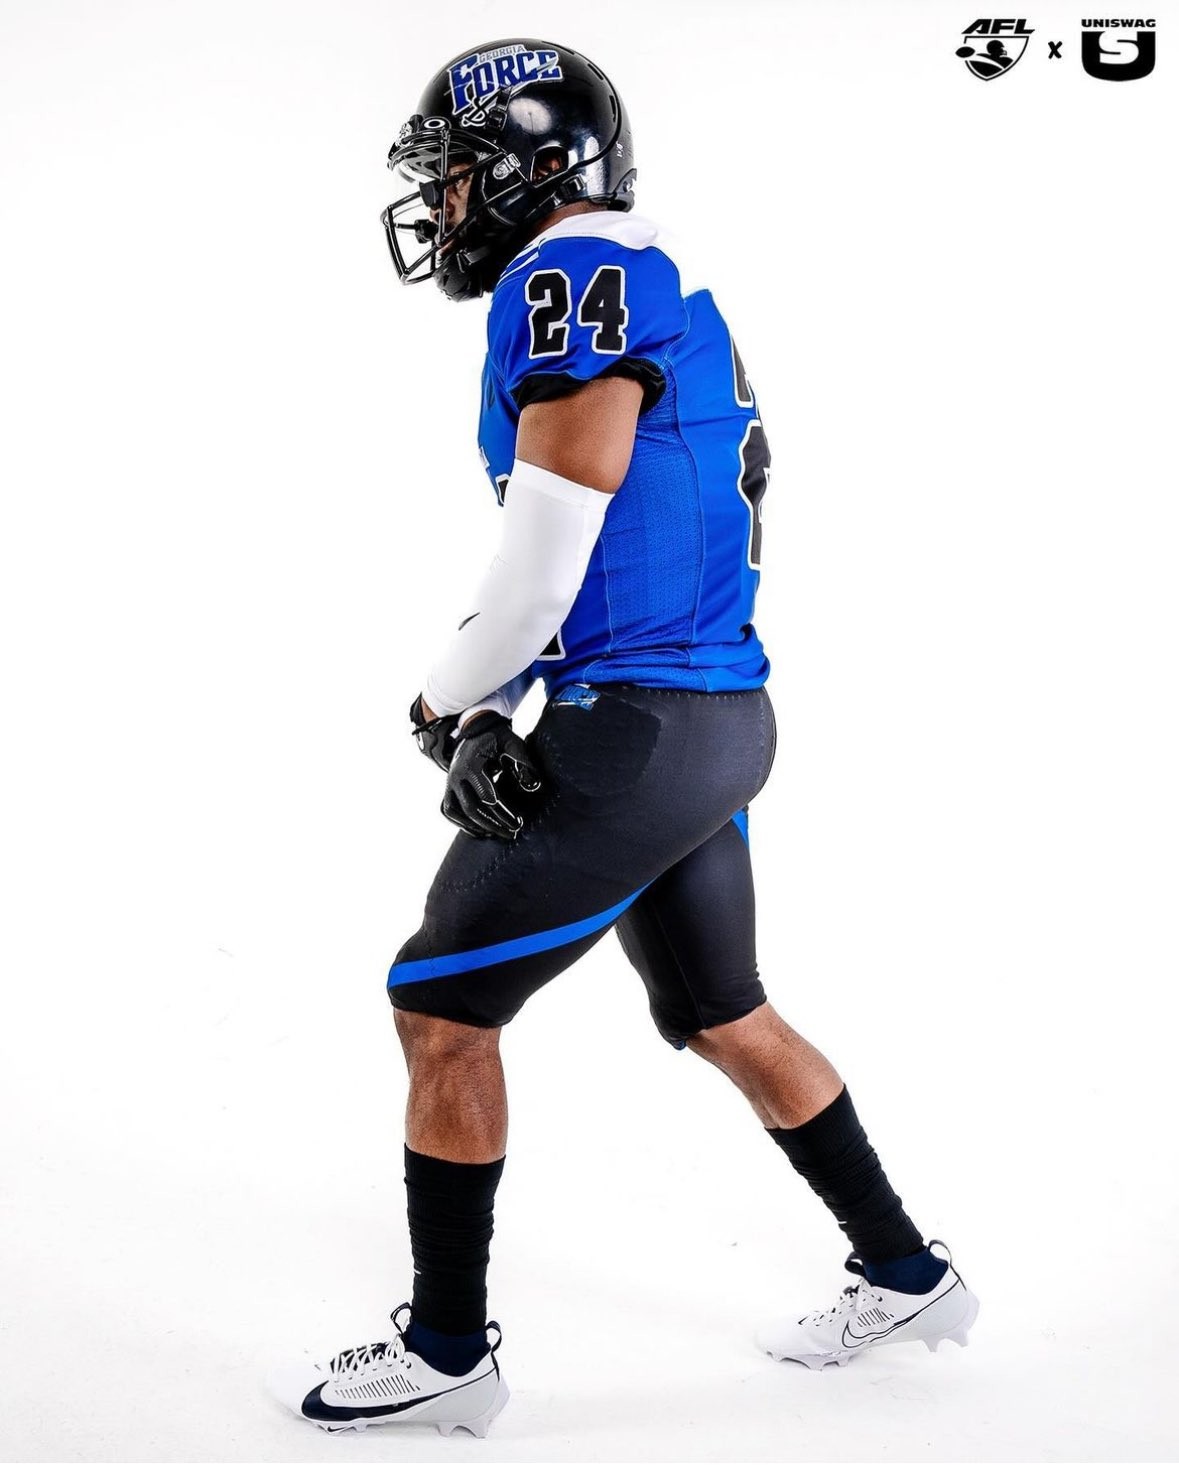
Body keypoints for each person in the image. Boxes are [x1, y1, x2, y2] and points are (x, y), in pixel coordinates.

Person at [269, 37, 979, 1438]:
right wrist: (498, 700)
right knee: (723, 1013)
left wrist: (446, 698)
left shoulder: (569, 275)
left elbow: (543, 568)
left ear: (530, 170)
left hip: (642, 727)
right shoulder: (656, 275)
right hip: (715, 720)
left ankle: (449, 1350)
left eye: (458, 173)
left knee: (439, 1008)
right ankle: (908, 1273)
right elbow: (617, 554)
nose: (444, 205)